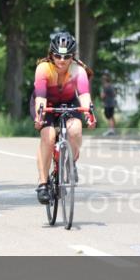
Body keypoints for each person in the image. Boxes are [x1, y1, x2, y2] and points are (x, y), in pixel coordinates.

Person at [31, 31, 96, 204]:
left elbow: (84, 95)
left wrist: (89, 114)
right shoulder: (43, 68)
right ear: (51, 54)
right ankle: (43, 183)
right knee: (49, 136)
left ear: (72, 56)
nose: (61, 60)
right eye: (58, 56)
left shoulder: (78, 70)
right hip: (46, 103)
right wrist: (40, 117)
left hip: (69, 102)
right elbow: (40, 97)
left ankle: (70, 162)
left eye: (66, 56)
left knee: (75, 130)